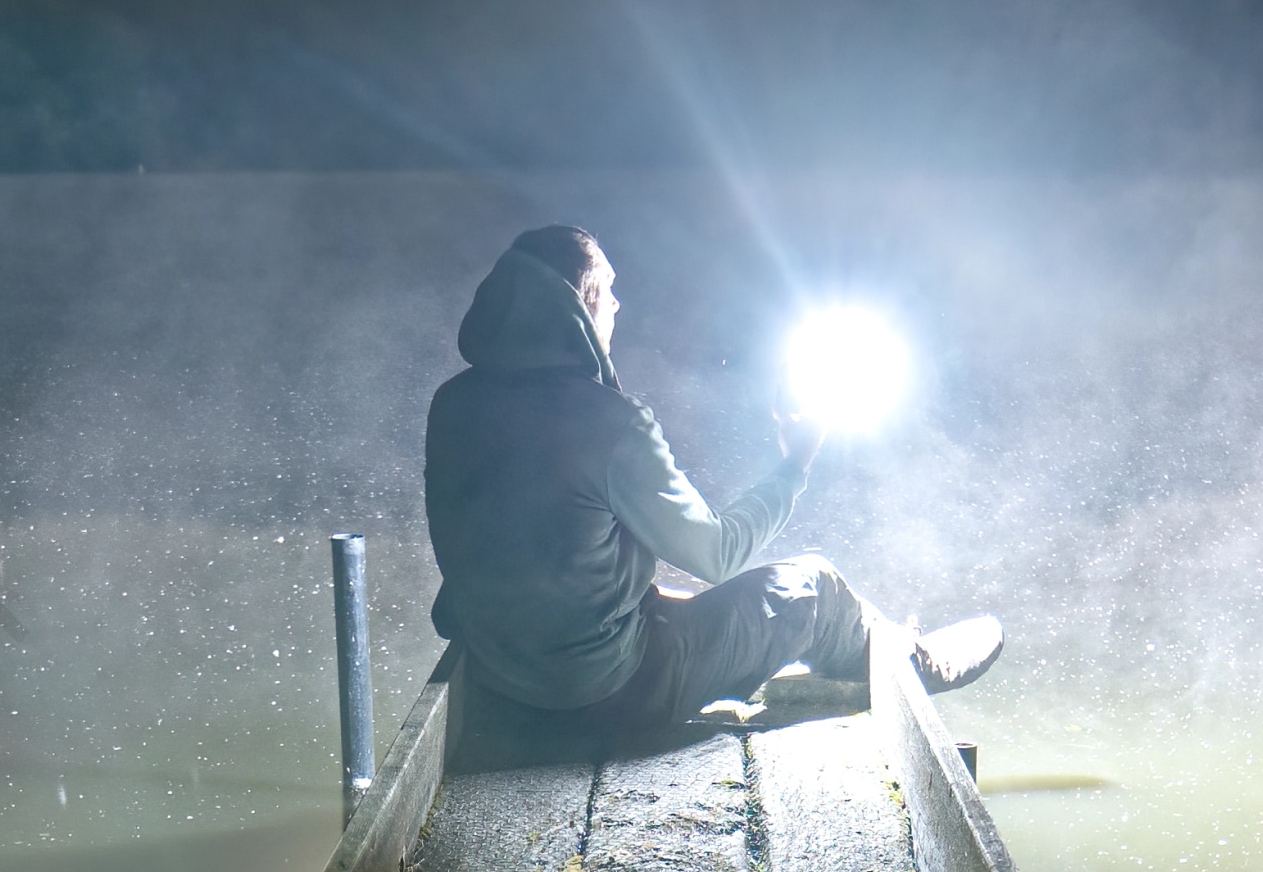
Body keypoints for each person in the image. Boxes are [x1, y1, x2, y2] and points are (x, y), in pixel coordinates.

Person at [423, 222, 1003, 747]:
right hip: (604, 696)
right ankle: (916, 663)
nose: (619, 304)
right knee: (815, 587)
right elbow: (719, 554)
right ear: (580, 302)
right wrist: (793, 465)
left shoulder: (451, 406)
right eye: (610, 288)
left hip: (503, 686)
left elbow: (543, 564)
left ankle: (890, 645)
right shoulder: (609, 424)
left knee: (670, 589)